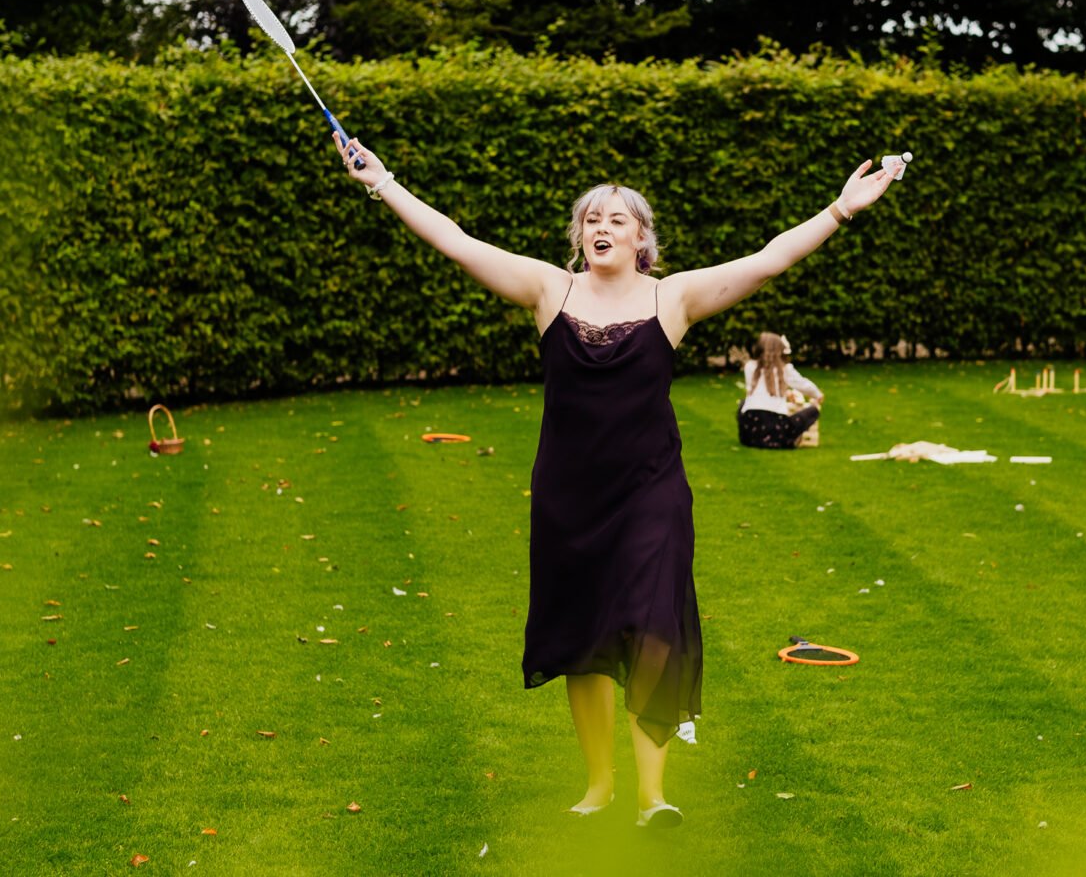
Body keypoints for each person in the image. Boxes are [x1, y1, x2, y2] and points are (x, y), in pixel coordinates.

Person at [334, 131, 897, 827]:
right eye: (591, 219)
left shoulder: (675, 299)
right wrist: (382, 182)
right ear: (580, 238)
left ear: (642, 241)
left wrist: (841, 209)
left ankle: (653, 796)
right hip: (569, 497)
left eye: (616, 219)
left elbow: (769, 257)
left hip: (651, 492)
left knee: (654, 626)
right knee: (582, 637)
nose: (601, 226)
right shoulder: (548, 289)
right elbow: (454, 240)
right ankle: (599, 786)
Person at [737, 332, 824, 449]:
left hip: (749, 431)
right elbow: (803, 385)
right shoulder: (785, 369)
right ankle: (785, 438)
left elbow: (759, 390)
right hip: (775, 430)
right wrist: (817, 395)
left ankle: (752, 437)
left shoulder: (750, 366)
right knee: (813, 410)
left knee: (744, 403)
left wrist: (785, 393)